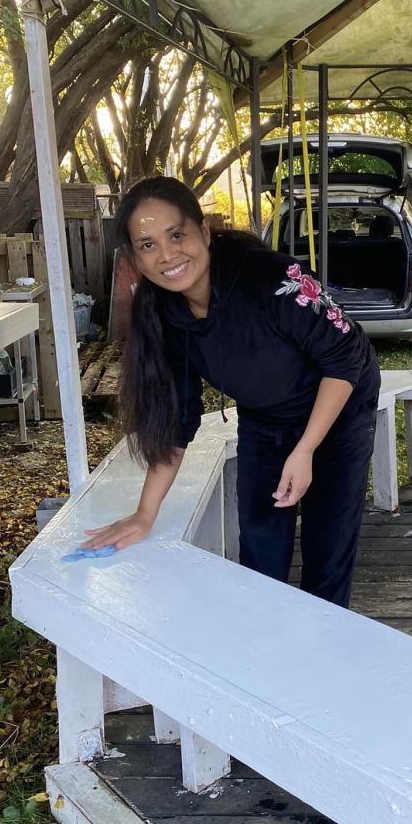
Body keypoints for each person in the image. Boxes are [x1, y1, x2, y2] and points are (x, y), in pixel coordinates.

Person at [82, 176, 380, 607]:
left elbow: (345, 357)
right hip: (265, 416)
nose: (167, 254)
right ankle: (263, 639)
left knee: (328, 545)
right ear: (135, 258)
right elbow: (176, 421)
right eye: (148, 245)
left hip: (340, 406)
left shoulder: (271, 279)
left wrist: (306, 449)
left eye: (176, 235)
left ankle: (325, 639)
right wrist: (145, 513)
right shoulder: (160, 312)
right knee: (260, 547)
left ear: (203, 231)